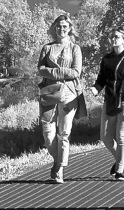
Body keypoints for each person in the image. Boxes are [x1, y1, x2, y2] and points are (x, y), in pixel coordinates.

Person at [88, 26, 124, 182]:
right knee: (105, 137)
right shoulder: (106, 59)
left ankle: (119, 169)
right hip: (109, 100)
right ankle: (120, 158)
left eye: (117, 37)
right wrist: (95, 89)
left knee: (121, 137)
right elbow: (101, 80)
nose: (113, 39)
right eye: (112, 37)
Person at [38, 14, 86, 184]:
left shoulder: (75, 48)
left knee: (63, 133)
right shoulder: (47, 48)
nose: (62, 29)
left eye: (65, 26)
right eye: (59, 26)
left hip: (69, 93)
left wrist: (54, 73)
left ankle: (59, 169)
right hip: (50, 92)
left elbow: (76, 72)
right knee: (48, 133)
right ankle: (57, 160)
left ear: (70, 28)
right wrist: (59, 74)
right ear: (54, 28)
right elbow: (41, 69)